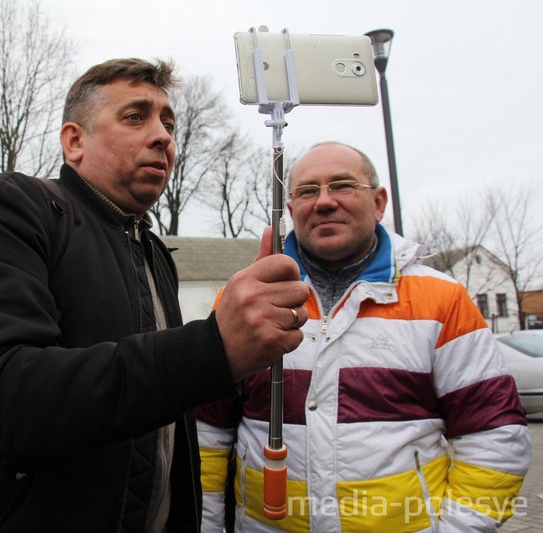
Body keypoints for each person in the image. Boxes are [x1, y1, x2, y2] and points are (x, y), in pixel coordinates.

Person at [0, 58, 310, 532]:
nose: (163, 137)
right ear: (74, 141)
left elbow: (165, 430)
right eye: (136, 117)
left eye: (168, 123)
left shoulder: (154, 252)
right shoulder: (10, 208)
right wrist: (213, 348)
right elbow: (4, 398)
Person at [197, 142, 532, 532]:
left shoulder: (442, 300)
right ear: (290, 212)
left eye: (342, 185)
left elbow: (495, 436)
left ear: (378, 202)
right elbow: (206, 434)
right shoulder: (242, 301)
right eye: (307, 191)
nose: (323, 202)